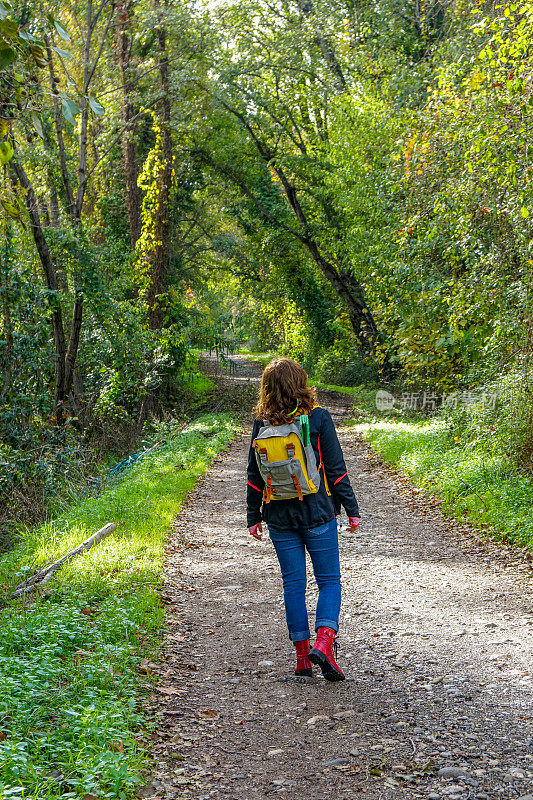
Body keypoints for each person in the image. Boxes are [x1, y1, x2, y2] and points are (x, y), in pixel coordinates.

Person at [246, 357, 360, 682]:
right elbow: (336, 471)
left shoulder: (261, 423)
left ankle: (301, 659)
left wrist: (253, 516)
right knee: (329, 580)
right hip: (317, 512)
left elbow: (254, 475)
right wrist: (351, 510)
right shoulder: (319, 418)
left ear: (268, 389)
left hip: (279, 515)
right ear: (301, 383)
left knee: (293, 584)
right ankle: (324, 643)